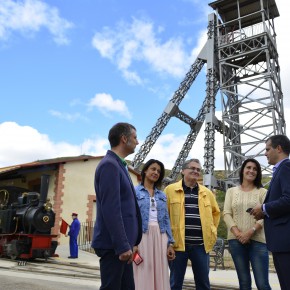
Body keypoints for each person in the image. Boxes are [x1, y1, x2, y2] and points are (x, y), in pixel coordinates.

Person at [91, 122, 142, 290]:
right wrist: (122, 245)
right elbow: (111, 209)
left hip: (123, 246)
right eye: (135, 137)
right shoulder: (109, 165)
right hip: (114, 247)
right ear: (124, 138)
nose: (137, 141)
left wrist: (131, 242)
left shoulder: (119, 165)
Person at [164, 158, 220, 290]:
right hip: (177, 246)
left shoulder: (207, 193)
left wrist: (211, 231)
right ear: (183, 171)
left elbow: (216, 214)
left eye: (198, 170)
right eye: (192, 168)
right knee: (175, 284)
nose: (196, 171)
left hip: (201, 246)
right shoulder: (169, 190)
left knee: (203, 284)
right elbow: (164, 217)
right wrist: (167, 243)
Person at [223, 158, 272, 290]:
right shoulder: (231, 192)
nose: (251, 171)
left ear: (258, 173)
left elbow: (266, 215)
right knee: (244, 283)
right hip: (235, 241)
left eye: (255, 169)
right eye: (248, 167)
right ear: (242, 170)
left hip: (258, 241)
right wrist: (238, 233)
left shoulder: (263, 192)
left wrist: (251, 231)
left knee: (262, 284)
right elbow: (226, 213)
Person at [251, 135, 290, 290]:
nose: (265, 153)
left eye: (267, 149)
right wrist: (265, 212)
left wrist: (264, 208)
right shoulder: (281, 170)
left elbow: (288, 199)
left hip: (285, 241)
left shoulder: (285, 167)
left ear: (278, 148)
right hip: (281, 242)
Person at [134, 159, 175, 290]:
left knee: (160, 269)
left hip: (160, 235)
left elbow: (166, 219)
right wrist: (132, 242)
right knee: (141, 268)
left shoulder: (162, 195)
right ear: (145, 170)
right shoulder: (135, 192)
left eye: (158, 171)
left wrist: (170, 243)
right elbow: (131, 217)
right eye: (153, 169)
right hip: (142, 235)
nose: (156, 172)